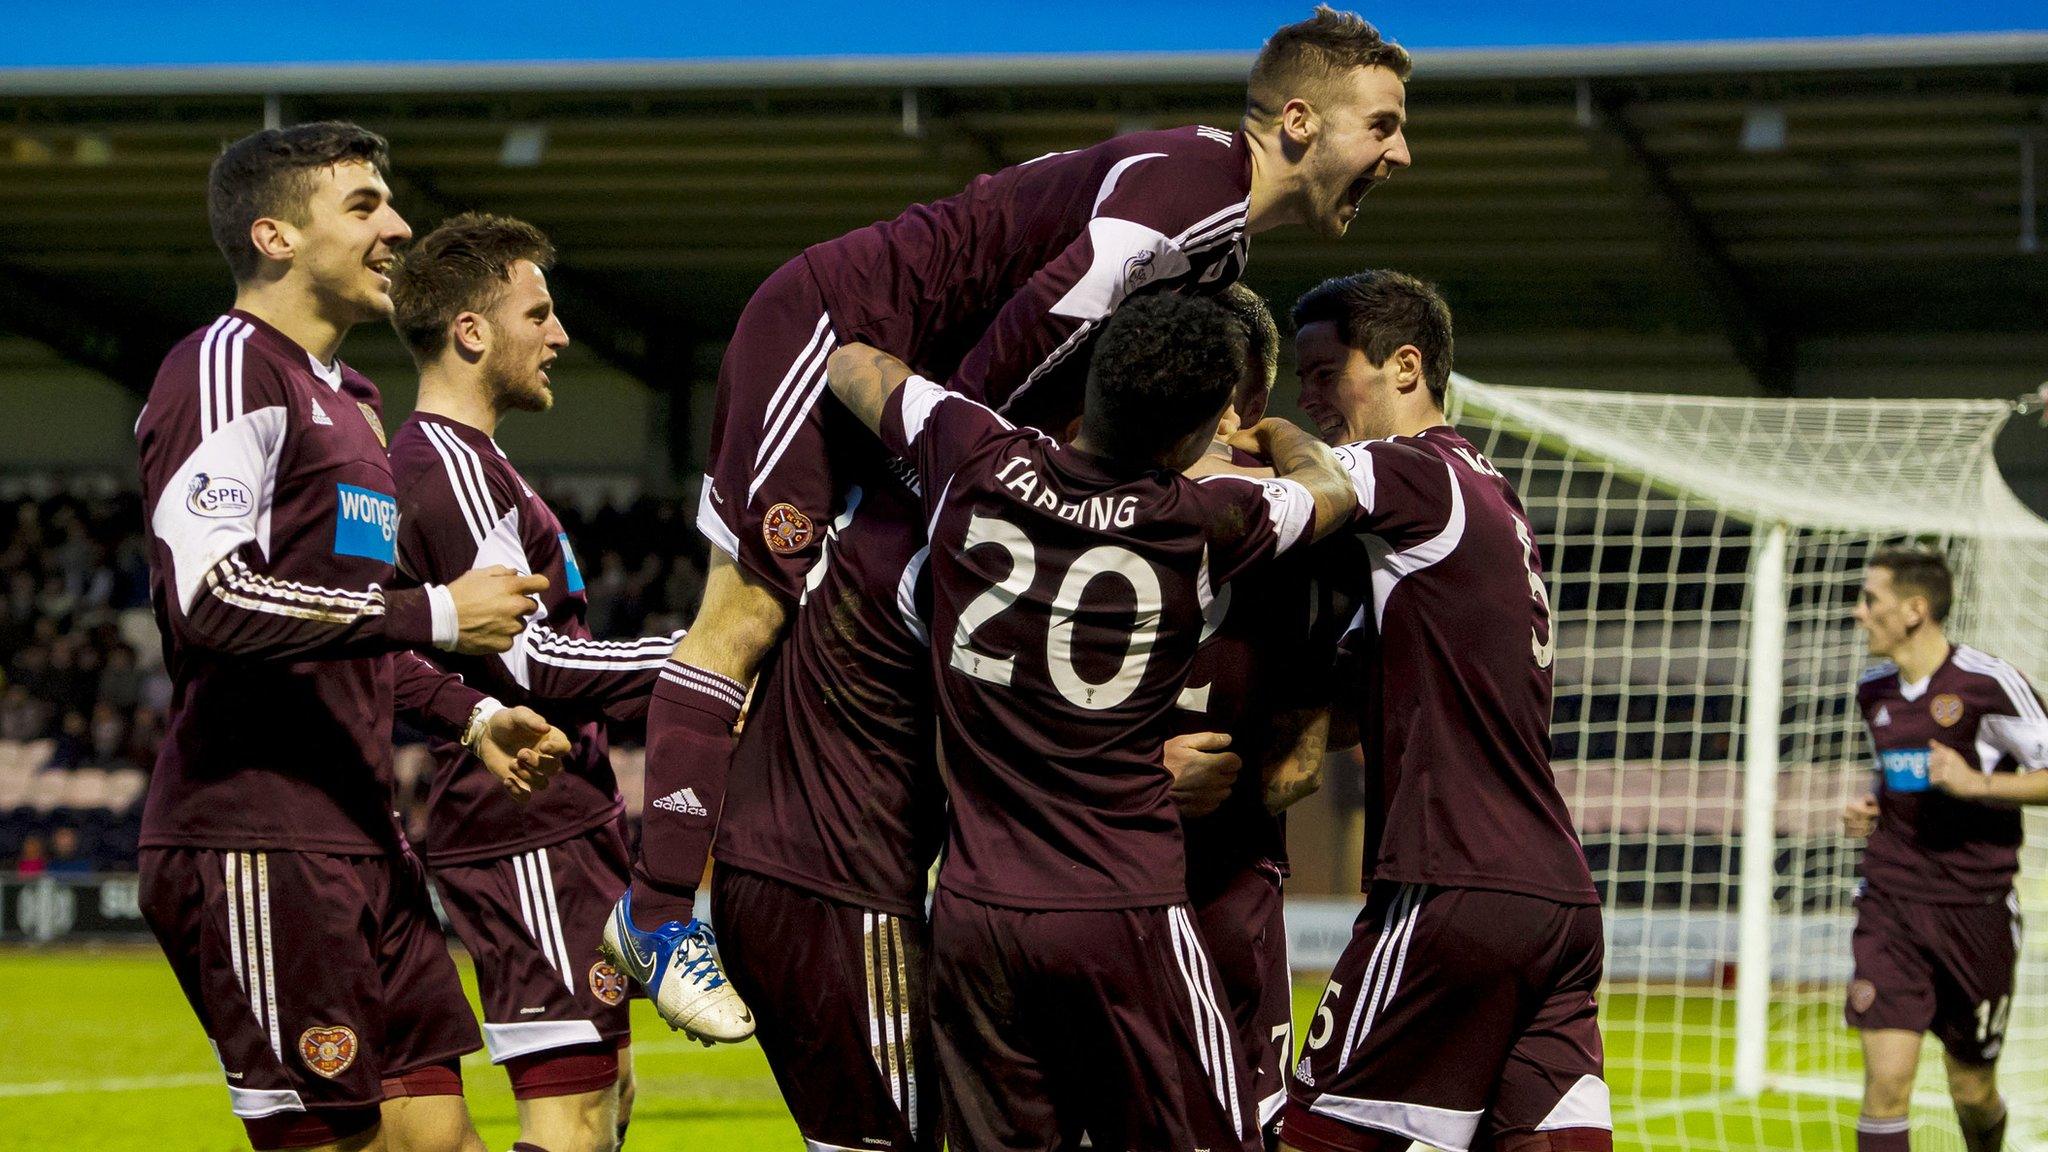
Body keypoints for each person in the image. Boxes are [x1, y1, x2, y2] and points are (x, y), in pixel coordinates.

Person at [612, 6, 1416, 1033]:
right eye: (1382, 124)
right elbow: (1014, 347)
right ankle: (659, 910)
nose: (1400, 153)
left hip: (904, 380)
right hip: (832, 336)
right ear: (1298, 121)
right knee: (747, 615)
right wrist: (960, 471)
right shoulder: (1190, 202)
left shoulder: (1212, 248)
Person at [827, 293, 1359, 1152]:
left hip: (974, 912)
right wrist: (1280, 437)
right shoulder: (1204, 519)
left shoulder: (975, 453)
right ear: (1193, 441)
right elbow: (1328, 485)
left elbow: (851, 363)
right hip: (1124, 907)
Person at [134, 121, 568, 1152]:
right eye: (364, 205)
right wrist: (441, 612)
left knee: (437, 1138)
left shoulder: (358, 403)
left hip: (361, 833)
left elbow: (348, 629)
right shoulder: (229, 366)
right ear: (276, 235)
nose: (399, 227)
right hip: (255, 831)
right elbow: (213, 596)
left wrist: (466, 714)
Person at [1272, 271, 1611, 1152]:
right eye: (1297, 381)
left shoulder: (1413, 472)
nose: (1307, 400)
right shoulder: (1494, 498)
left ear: (1406, 366)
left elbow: (1301, 493)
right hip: (1557, 901)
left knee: (1316, 1136)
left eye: (1323, 373)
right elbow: (1355, 715)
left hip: (1449, 881)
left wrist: (1249, 433)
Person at [387, 212, 697, 1152]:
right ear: (472, 332)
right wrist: (703, 661)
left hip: (556, 820)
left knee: (606, 1106)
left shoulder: (477, 465)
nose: (560, 335)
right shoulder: (446, 467)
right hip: (525, 826)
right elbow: (536, 663)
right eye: (539, 313)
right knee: (573, 1120)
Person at [1171, 284, 1341, 1144]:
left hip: (1083, 872)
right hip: (1223, 878)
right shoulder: (1305, 514)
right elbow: (1303, 763)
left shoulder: (1062, 489)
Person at [1841, 545, 2048, 1152]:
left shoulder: (1989, 684)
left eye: (1870, 600)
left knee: (1972, 1090)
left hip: (1974, 914)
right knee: (1887, 1085)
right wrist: (1872, 809)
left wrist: (1978, 783)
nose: (1859, 613)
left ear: (1914, 609)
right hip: (1891, 909)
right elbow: (1897, 777)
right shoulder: (1873, 692)